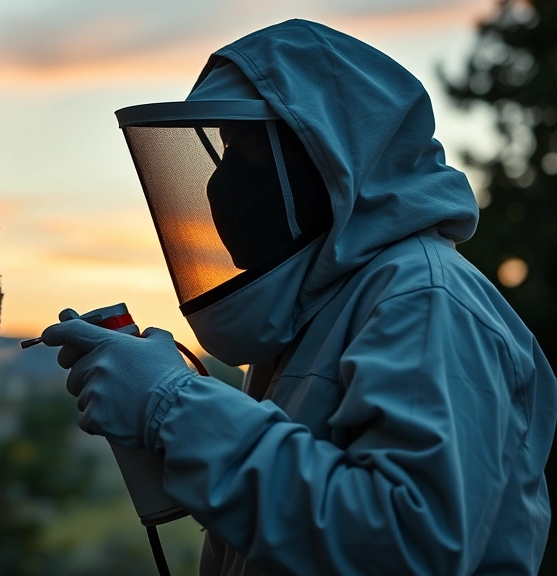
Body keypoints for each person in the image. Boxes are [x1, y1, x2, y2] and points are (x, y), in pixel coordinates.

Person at [40, 19, 556, 575]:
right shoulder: (317, 311)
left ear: (331, 159)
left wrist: (172, 406)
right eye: (224, 155)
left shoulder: (424, 300)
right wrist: (164, 418)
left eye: (251, 154)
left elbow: (412, 546)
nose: (221, 183)